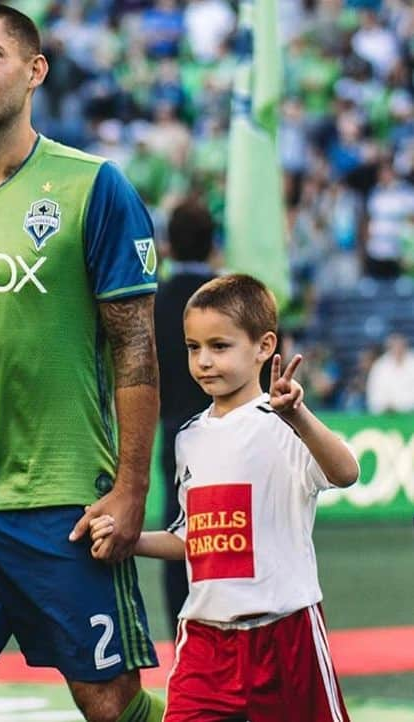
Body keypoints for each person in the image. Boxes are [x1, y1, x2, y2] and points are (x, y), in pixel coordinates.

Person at [0, 6, 164, 722]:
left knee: (108, 701)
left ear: (34, 70)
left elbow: (134, 343)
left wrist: (132, 486)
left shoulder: (94, 185)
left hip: (66, 497)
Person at [90, 274, 359, 722]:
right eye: (194, 348)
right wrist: (129, 538)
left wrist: (298, 416)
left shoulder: (284, 423)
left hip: (285, 634)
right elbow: (190, 538)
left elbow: (346, 472)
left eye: (219, 346)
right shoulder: (188, 437)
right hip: (205, 641)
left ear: (263, 346)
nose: (204, 361)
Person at [154, 197, 217, 635]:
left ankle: (185, 639)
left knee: (179, 535)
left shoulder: (154, 302)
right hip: (232, 426)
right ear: (213, 244)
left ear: (168, 246)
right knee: (237, 533)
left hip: (174, 430)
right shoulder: (233, 298)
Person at [365, 332, 414, 413]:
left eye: (400, 345)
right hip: (388, 414)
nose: (398, 349)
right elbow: (375, 393)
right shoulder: (380, 366)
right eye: (394, 346)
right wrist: (384, 406)